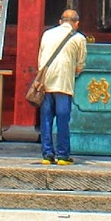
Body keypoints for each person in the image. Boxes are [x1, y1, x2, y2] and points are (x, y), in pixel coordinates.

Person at [36, 8, 86, 165]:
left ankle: (47, 154)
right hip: (63, 84)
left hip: (45, 83)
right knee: (63, 119)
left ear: (60, 22)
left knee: (46, 119)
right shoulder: (79, 38)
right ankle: (63, 155)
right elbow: (79, 66)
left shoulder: (47, 34)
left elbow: (40, 60)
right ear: (76, 24)